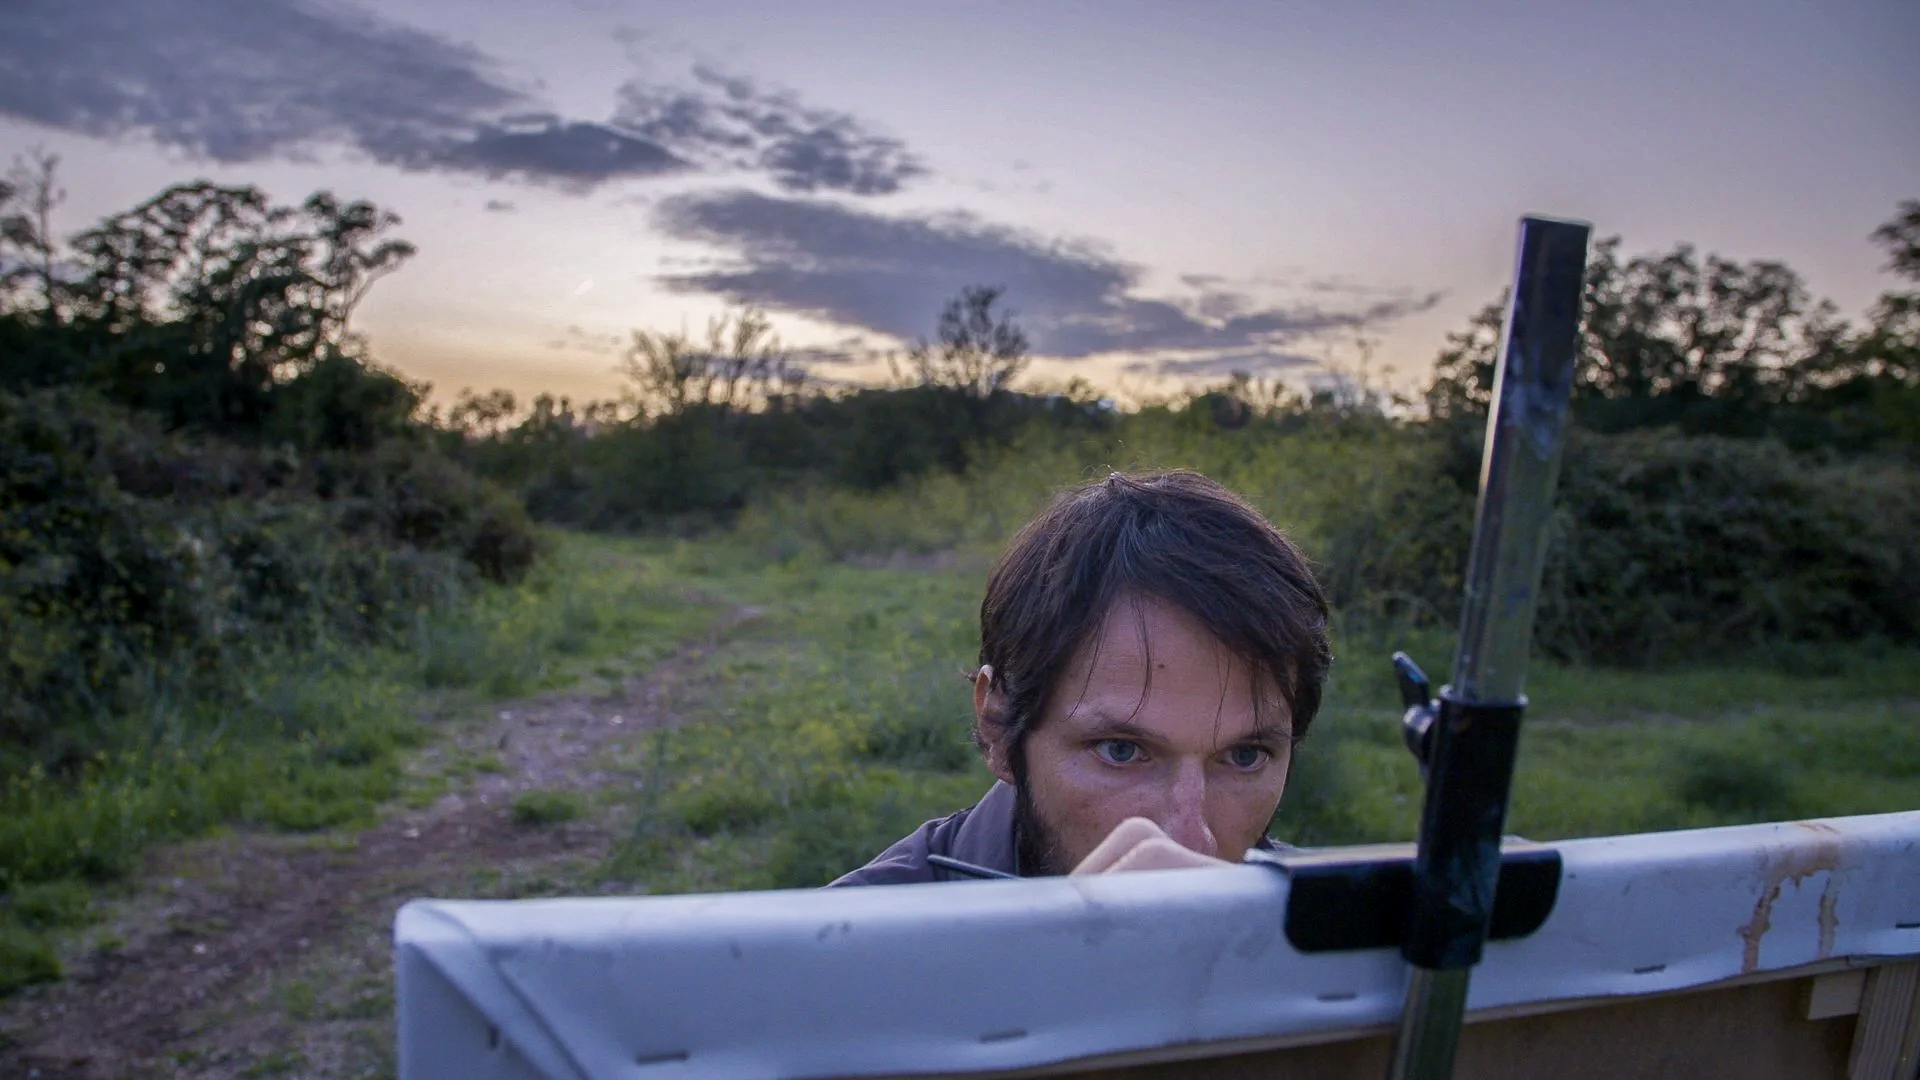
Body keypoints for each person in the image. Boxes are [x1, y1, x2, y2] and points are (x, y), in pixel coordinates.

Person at [829, 469, 1332, 886]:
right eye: (1121, 750)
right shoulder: (833, 968)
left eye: (1245, 757)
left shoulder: (1349, 955)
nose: (1189, 841)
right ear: (999, 728)